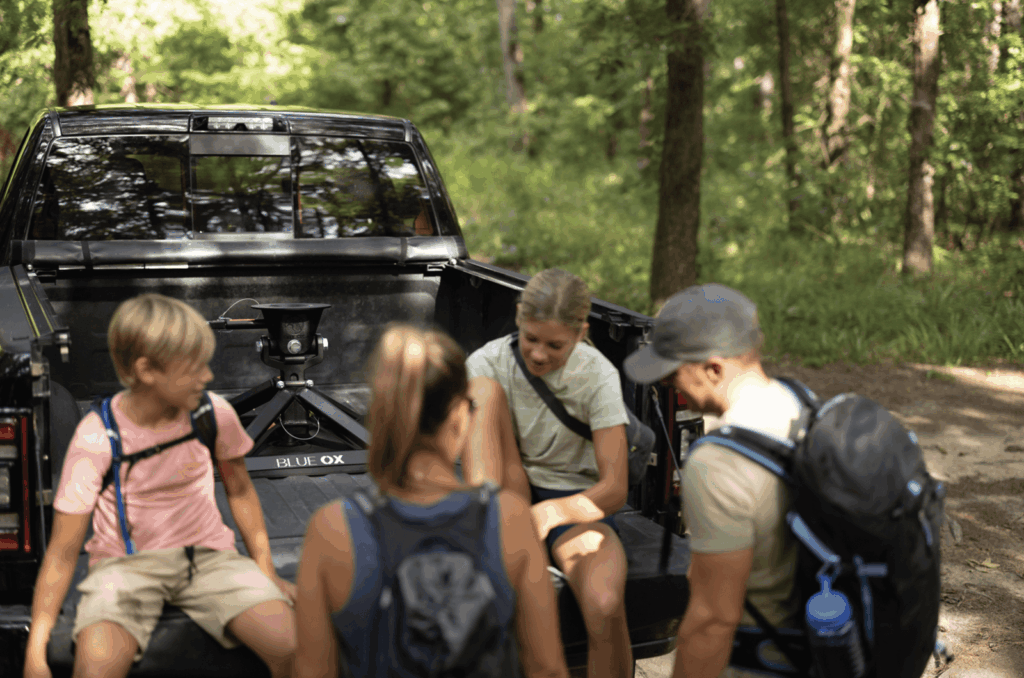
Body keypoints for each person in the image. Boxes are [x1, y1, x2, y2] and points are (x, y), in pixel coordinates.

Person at [23, 294, 296, 678]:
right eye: (194, 367)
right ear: (147, 370)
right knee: (96, 668)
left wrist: (266, 572)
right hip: (124, 569)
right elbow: (63, 551)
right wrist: (36, 648)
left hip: (209, 560)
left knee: (294, 648)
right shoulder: (98, 436)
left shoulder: (212, 412)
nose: (207, 377)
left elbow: (240, 490)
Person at [292, 324, 569, 678]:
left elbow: (312, 672)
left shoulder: (332, 530)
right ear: (457, 414)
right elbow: (546, 669)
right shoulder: (509, 518)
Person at [623, 284, 803, 678]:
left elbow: (712, 618)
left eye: (672, 373)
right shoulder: (799, 406)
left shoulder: (719, 463)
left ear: (714, 368)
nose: (666, 384)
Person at [462, 268, 633, 678]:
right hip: (506, 488)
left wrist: (550, 515)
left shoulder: (597, 376)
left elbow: (614, 489)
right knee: (482, 390)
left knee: (604, 604)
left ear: (580, 333)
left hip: (575, 504)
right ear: (518, 318)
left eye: (555, 345)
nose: (539, 355)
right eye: (531, 339)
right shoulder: (488, 362)